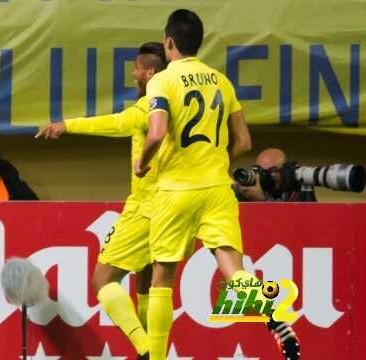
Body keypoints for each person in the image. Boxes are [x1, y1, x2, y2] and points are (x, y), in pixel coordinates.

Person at [134, 10, 300, 360]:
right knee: (234, 271)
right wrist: (214, 158)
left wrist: (143, 162)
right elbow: (243, 142)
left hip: (176, 191)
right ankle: (274, 312)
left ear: (168, 43)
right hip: (217, 190)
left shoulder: (161, 81)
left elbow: (158, 132)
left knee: (161, 280)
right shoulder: (221, 81)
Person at [36, 42, 167, 358]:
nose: (133, 74)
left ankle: (147, 349)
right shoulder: (178, 103)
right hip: (174, 206)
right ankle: (152, 350)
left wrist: (67, 125)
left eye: (136, 68)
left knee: (103, 280)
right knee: (147, 283)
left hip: (145, 207)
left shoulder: (147, 106)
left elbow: (113, 123)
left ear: (149, 72)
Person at [235, 148, 316, 202]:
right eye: (260, 171)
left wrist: (262, 202)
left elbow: (289, 223)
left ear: (285, 172)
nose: (265, 176)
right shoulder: (251, 191)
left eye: (272, 170)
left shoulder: (296, 188)